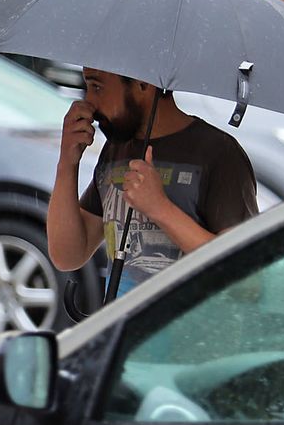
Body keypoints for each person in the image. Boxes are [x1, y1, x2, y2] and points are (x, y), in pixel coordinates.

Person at [48, 66, 257, 297]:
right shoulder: (117, 149)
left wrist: (160, 208)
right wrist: (67, 163)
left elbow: (246, 277)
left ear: (143, 83)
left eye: (97, 87)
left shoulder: (219, 153)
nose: (89, 103)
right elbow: (67, 256)